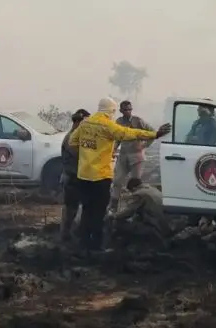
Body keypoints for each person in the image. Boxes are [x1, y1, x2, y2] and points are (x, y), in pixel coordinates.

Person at [68, 97, 171, 252]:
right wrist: (154, 135)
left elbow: (72, 142)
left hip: (83, 175)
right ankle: (95, 246)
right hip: (100, 177)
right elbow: (129, 133)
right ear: (112, 110)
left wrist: (87, 154)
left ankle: (83, 245)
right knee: (99, 212)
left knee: (87, 210)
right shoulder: (108, 125)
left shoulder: (85, 123)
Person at [109, 100, 156, 213]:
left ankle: (137, 208)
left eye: (129, 109)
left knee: (136, 184)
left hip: (137, 156)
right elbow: (117, 137)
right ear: (121, 111)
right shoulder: (119, 122)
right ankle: (113, 207)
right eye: (125, 110)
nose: (128, 112)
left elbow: (153, 132)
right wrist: (114, 148)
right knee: (117, 181)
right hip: (124, 154)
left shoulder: (138, 121)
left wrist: (145, 145)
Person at [110, 177, 171, 245]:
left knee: (118, 223)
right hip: (164, 224)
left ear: (133, 188)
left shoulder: (139, 194)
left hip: (154, 226)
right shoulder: (153, 189)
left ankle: (117, 246)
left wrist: (114, 215)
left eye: (131, 192)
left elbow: (129, 212)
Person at [60, 108, 90, 242]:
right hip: (72, 177)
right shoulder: (72, 138)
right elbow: (80, 157)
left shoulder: (73, 135)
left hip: (74, 176)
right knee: (71, 208)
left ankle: (68, 234)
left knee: (73, 207)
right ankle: (66, 235)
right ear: (79, 121)